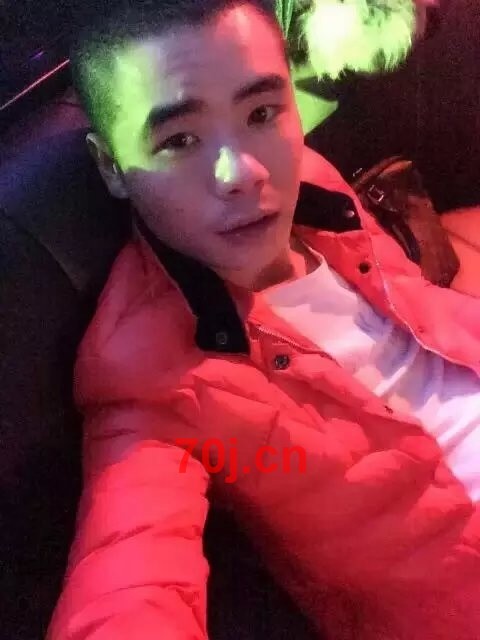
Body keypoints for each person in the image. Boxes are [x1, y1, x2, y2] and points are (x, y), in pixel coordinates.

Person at [47, 1, 480, 639]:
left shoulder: (312, 180)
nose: (244, 173)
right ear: (111, 166)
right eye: (180, 140)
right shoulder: (143, 374)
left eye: (260, 114)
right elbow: (130, 574)